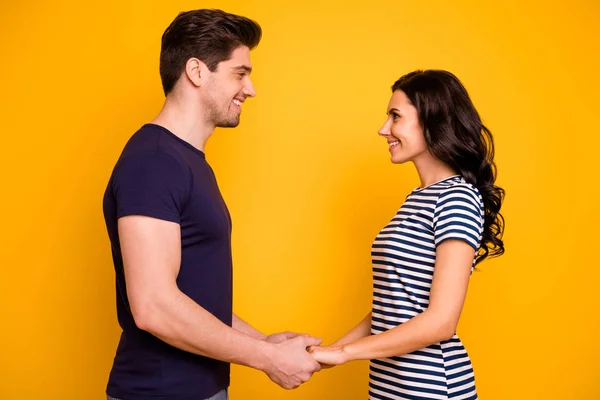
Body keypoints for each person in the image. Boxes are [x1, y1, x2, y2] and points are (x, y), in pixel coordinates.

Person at [102, 9, 321, 400]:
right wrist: (266, 358)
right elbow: (154, 305)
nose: (250, 89)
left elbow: (195, 299)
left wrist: (266, 344)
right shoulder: (153, 161)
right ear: (197, 71)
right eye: (240, 73)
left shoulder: (185, 161)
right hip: (160, 391)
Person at [309, 70, 505, 400]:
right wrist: (334, 350)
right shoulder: (419, 198)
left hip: (431, 387)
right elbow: (395, 306)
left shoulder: (456, 198)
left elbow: (441, 322)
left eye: (395, 116)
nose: (383, 129)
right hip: (391, 385)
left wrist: (345, 354)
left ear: (432, 122)